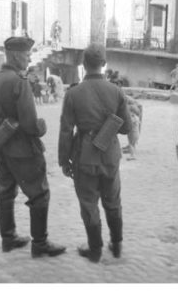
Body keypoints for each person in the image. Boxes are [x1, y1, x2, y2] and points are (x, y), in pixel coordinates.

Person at [0, 36, 66, 258]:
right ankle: (40, 244)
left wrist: (1, 135)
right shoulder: (19, 81)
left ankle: (8, 239)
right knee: (39, 194)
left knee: (5, 192)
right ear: (15, 55)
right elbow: (30, 123)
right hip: (23, 150)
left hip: (1, 148)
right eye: (28, 54)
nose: (30, 58)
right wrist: (41, 128)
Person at [58, 43, 132, 262]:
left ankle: (95, 249)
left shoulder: (73, 93)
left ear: (84, 64)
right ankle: (117, 245)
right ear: (104, 64)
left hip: (84, 157)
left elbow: (65, 130)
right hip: (110, 156)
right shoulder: (116, 91)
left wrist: (64, 160)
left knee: (89, 203)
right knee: (113, 201)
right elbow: (127, 128)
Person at [123, 95, 142, 161]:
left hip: (132, 132)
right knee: (132, 143)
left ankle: (132, 155)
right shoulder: (136, 117)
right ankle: (132, 152)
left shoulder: (131, 117)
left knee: (131, 144)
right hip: (134, 132)